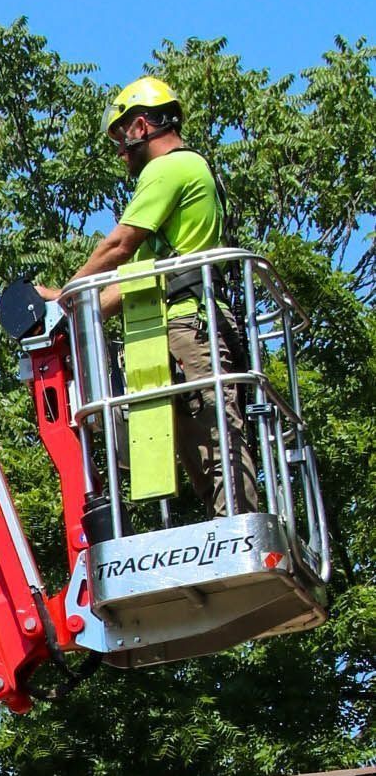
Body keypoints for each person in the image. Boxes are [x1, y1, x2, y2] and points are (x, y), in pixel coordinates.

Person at [39, 78, 251, 515]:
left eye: (120, 137)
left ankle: (239, 527)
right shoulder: (187, 177)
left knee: (215, 442)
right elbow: (138, 280)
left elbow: (119, 248)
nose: (120, 152)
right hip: (183, 322)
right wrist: (76, 314)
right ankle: (231, 522)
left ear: (140, 126)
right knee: (201, 452)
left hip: (190, 325)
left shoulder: (169, 168)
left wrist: (64, 298)